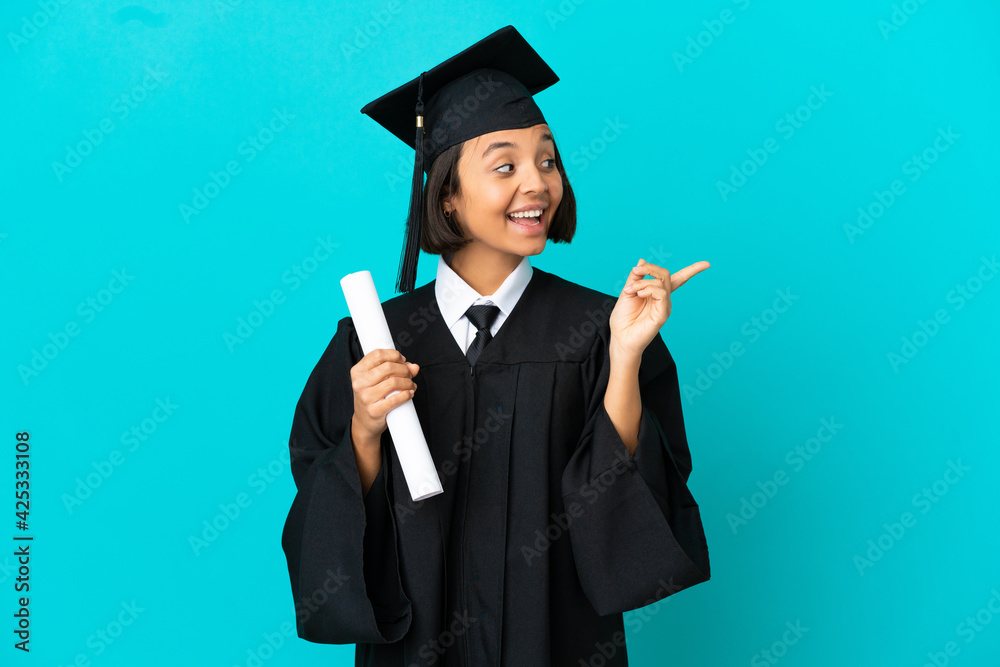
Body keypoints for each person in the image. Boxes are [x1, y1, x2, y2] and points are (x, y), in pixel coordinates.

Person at [280, 25, 711, 667]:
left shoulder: (599, 327)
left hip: (557, 644)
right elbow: (321, 507)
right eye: (505, 165)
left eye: (547, 160)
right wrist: (366, 432)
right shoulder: (373, 341)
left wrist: (624, 360)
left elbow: (629, 503)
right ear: (447, 195)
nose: (536, 183)